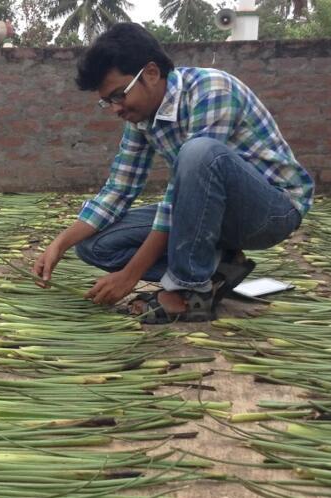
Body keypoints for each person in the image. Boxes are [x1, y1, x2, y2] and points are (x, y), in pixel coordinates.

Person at [32, 23, 313, 324]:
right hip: (211, 215)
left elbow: (174, 201)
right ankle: (221, 266)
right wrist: (60, 243)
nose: (115, 108)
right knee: (93, 246)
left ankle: (188, 292)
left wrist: (130, 275)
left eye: (119, 95)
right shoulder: (141, 119)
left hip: (269, 213)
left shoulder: (212, 90)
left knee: (199, 153)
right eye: (108, 101)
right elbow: (119, 190)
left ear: (151, 73)